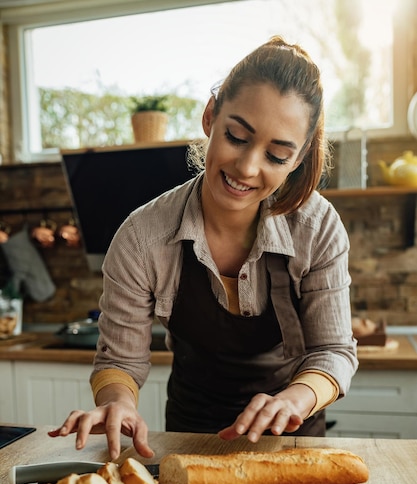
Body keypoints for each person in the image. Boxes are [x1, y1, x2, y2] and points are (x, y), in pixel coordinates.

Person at [49, 35, 358, 460]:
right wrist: (117, 404)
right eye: (236, 136)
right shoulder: (143, 236)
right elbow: (119, 361)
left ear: (300, 157)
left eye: (277, 155)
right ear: (210, 116)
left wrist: (295, 400)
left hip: (293, 443)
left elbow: (334, 352)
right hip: (189, 441)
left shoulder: (316, 226)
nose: (248, 168)